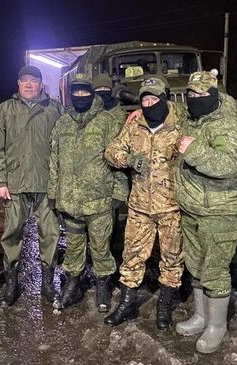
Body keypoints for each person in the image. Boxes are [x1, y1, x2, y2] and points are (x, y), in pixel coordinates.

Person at [173, 72, 237, 353]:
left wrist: (194, 150)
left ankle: (217, 326)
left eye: (202, 94)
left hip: (219, 210)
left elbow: (227, 164)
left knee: (214, 270)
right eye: (191, 94)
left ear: (215, 96)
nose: (195, 99)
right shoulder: (191, 120)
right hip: (192, 208)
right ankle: (202, 316)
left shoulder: (226, 125)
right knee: (196, 265)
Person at [104, 77, 184, 330]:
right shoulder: (135, 124)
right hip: (139, 207)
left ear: (165, 99)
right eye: (145, 100)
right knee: (132, 257)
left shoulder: (180, 124)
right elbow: (111, 151)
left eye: (154, 99)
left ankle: (165, 306)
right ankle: (127, 304)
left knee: (172, 259)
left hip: (172, 207)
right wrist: (128, 159)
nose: (150, 104)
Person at [48, 73, 128, 312]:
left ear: (92, 93)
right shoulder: (63, 122)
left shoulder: (106, 122)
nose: (80, 96)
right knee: (73, 249)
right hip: (70, 202)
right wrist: (53, 193)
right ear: (71, 94)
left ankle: (102, 287)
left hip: (100, 201)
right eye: (76, 92)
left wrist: (119, 193)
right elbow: (54, 161)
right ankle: (73, 286)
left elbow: (118, 159)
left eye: (85, 91)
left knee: (101, 248)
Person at [0, 65, 64, 307]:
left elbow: (65, 144)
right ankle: (12, 282)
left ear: (41, 84)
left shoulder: (53, 109)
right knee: (11, 234)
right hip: (16, 184)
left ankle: (47, 282)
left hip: (46, 183)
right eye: (25, 81)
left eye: (34, 80)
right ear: (18, 84)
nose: (29, 85)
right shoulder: (6, 109)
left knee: (50, 233)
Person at [92, 73, 129, 259]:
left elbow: (123, 155)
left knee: (115, 228)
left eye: (105, 90)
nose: (101, 94)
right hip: (93, 184)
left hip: (114, 180)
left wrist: (121, 191)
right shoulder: (89, 114)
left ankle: (112, 268)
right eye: (97, 90)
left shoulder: (122, 116)